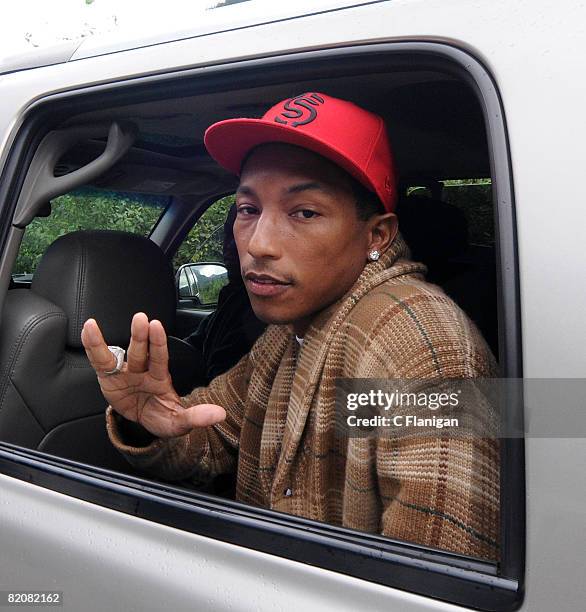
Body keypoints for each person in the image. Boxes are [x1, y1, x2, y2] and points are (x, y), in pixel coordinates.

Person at [81, 92, 499, 561]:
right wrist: (153, 422)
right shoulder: (292, 329)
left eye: (304, 212)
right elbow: (216, 434)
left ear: (376, 235)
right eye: (248, 210)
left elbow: (434, 581)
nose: (259, 244)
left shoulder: (421, 348)